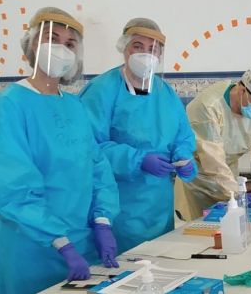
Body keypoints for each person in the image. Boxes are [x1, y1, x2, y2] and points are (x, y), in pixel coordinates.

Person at [0, 8, 120, 294]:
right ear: (31, 45)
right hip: (33, 246)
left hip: (81, 241)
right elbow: (13, 188)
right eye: (51, 38)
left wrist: (102, 221)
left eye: (70, 43)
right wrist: (59, 241)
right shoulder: (9, 105)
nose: (61, 48)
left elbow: (97, 168)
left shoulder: (74, 105)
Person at [80, 18, 197, 253]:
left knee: (158, 266)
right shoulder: (102, 90)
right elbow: (88, 147)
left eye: (153, 49)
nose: (146, 54)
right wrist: (137, 160)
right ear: (124, 48)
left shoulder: (165, 93)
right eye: (137, 46)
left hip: (159, 207)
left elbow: (182, 135)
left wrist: (184, 156)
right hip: (117, 206)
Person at [175, 69, 251, 220]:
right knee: (201, 233)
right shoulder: (208, 107)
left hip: (228, 178)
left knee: (230, 230)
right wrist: (237, 193)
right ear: (242, 90)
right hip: (199, 183)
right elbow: (213, 162)